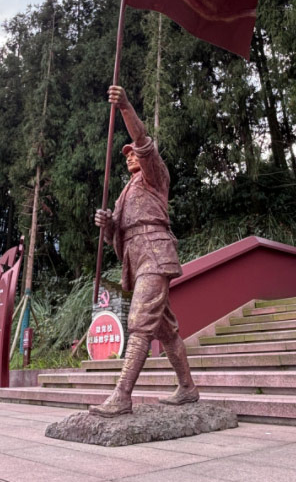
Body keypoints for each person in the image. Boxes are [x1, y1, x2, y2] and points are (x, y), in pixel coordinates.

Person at [89, 85, 199, 417]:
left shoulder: (155, 177)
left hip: (155, 253)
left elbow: (145, 143)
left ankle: (122, 395)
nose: (131, 156)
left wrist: (125, 108)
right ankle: (188, 388)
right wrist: (106, 224)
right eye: (126, 155)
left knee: (139, 321)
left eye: (133, 152)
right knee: (164, 329)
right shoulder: (126, 192)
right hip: (136, 260)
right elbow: (116, 237)